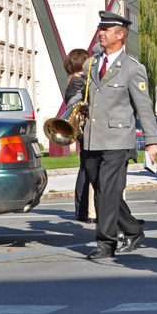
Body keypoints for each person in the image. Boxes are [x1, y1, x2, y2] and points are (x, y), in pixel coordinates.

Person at [83, 11, 157, 260]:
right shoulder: (90, 64)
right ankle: (132, 229)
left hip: (118, 138)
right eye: (100, 29)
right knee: (103, 188)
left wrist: (151, 140)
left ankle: (106, 242)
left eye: (106, 30)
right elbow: (83, 97)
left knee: (107, 191)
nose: (101, 33)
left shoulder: (132, 68)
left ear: (120, 36)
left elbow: (144, 106)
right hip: (92, 136)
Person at [63, 48, 95, 222]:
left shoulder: (74, 80)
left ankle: (82, 209)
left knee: (85, 167)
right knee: (85, 168)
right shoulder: (77, 81)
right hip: (83, 127)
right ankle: (82, 209)